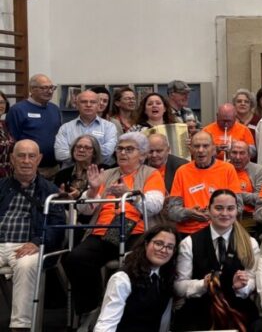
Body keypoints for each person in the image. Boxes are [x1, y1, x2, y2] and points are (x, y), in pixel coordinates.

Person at [64, 132, 165, 319]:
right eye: (120, 149)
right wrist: (93, 191)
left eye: (129, 149)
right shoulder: (107, 173)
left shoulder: (151, 174)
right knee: (75, 258)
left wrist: (130, 194)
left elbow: (154, 205)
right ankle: (92, 309)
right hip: (101, 231)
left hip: (136, 231)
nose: (123, 153)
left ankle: (130, 315)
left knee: (136, 263)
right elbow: (86, 210)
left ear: (142, 155)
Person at [174, 189, 260, 331]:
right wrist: (203, 284)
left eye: (230, 208)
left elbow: (253, 281)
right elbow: (178, 286)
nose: (225, 213)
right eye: (219, 208)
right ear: (209, 209)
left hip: (237, 307)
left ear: (237, 210)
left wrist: (243, 286)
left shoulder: (250, 243)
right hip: (200, 309)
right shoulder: (189, 242)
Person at [0, 140, 63, 332]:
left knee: (27, 265)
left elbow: (57, 224)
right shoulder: (1, 186)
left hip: (27, 245)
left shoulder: (50, 191)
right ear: (12, 159)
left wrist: (38, 241)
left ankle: (21, 327)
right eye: (21, 155)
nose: (26, 161)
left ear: (39, 159)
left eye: (31, 156)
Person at [92, 225, 178, 332]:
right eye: (158, 243)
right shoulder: (122, 278)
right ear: (146, 244)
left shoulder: (165, 277)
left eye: (169, 247)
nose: (163, 250)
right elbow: (107, 323)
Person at [167, 131, 242, 236]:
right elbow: (172, 211)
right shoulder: (182, 171)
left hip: (220, 230)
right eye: (196, 146)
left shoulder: (227, 169)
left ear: (213, 149)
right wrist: (189, 213)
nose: (201, 150)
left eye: (205, 146)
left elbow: (239, 206)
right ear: (191, 149)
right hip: (188, 232)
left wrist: (215, 214)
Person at [6, 74, 62, 176]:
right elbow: (13, 140)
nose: (49, 91)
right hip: (29, 169)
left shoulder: (55, 109)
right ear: (32, 89)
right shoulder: (18, 110)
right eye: (44, 88)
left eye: (51, 87)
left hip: (54, 168)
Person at [55, 89, 118, 167]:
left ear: (98, 106)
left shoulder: (109, 127)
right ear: (77, 105)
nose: (88, 105)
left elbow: (107, 152)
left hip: (100, 173)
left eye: (93, 102)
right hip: (71, 173)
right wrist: (92, 153)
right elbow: (60, 154)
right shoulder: (65, 128)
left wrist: (77, 154)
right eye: (84, 102)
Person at [226, 138, 262, 234]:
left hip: (250, 216)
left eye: (242, 153)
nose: (237, 157)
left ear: (249, 156)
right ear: (229, 154)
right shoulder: (223, 169)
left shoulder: (259, 170)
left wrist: (233, 193)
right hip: (225, 215)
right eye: (234, 152)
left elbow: (260, 197)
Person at [55, 135, 103, 202]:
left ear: (94, 152)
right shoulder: (62, 174)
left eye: (87, 147)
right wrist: (62, 198)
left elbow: (102, 197)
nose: (81, 150)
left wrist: (79, 196)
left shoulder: (102, 171)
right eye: (78, 146)